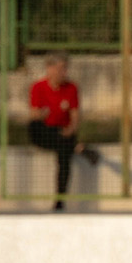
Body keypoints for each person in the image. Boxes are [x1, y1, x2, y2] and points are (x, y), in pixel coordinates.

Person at [27, 54, 100, 211]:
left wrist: (71, 128)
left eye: (65, 68)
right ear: (49, 69)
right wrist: (43, 113)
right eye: (60, 68)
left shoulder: (71, 88)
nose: (64, 72)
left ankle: (59, 200)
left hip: (64, 133)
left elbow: (75, 116)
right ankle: (78, 148)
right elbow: (34, 114)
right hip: (45, 132)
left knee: (64, 154)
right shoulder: (38, 87)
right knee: (34, 126)